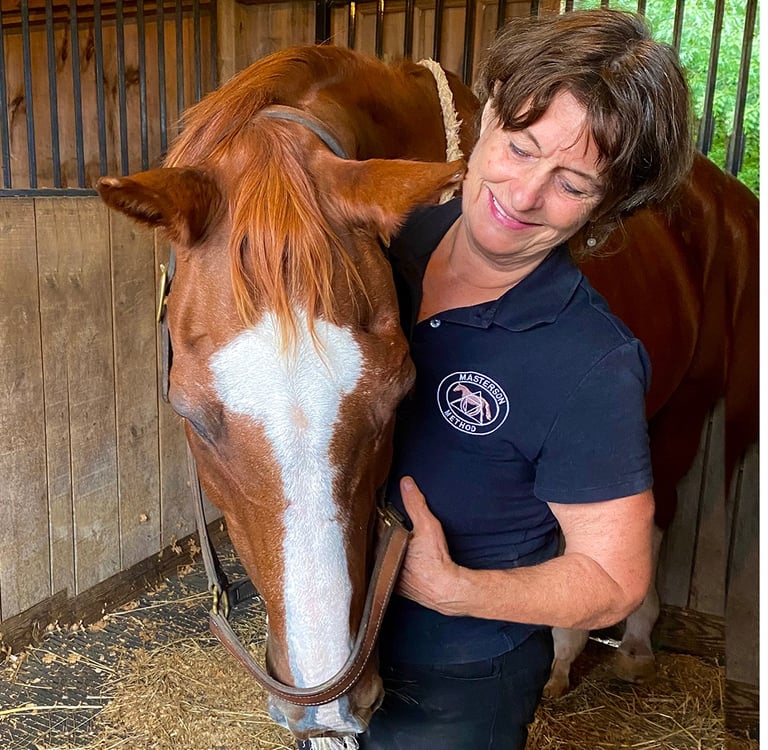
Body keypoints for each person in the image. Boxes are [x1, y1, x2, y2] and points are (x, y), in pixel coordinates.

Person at [357, 9, 694, 750]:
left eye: (572, 182)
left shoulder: (589, 361)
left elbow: (615, 577)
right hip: (334, 648)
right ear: (489, 113)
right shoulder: (383, 249)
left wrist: (459, 590)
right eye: (520, 146)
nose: (523, 193)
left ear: (611, 204)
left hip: (458, 677)